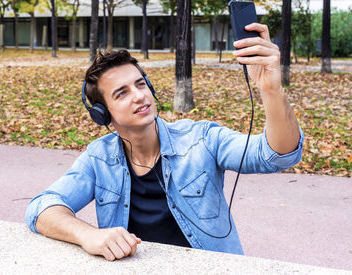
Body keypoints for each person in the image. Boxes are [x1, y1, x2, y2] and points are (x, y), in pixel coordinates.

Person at [25, 23, 304, 261]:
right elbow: (42, 207)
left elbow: (277, 155)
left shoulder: (201, 139)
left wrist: (271, 89)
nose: (138, 96)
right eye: (121, 93)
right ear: (102, 114)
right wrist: (89, 235)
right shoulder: (99, 158)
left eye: (141, 84)